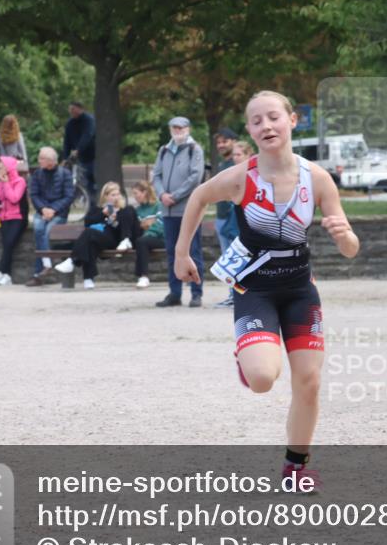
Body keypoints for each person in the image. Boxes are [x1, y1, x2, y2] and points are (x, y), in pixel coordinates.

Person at [174, 91, 360, 492]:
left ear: (292, 121)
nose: (266, 126)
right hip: (254, 289)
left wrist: (346, 236)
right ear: (250, 131)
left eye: (273, 117)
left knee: (308, 380)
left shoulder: (318, 178)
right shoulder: (242, 176)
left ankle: (295, 467)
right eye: (256, 121)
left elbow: (350, 250)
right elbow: (199, 197)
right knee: (262, 378)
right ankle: (248, 354)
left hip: (299, 290)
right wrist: (181, 253)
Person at [152, 116, 205, 308]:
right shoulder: (164, 150)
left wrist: (175, 195)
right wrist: (161, 194)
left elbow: (195, 177)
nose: (178, 130)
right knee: (172, 252)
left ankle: (196, 293)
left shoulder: (194, 149)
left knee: (193, 250)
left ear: (188, 129)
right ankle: (174, 292)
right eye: (174, 127)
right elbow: (156, 175)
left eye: (181, 127)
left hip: (187, 209)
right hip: (168, 211)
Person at [54, 181, 139, 289]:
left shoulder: (125, 210)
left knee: (89, 235)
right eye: (113, 195)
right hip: (99, 238)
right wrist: (103, 214)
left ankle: (72, 261)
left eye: (118, 194)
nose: (116, 197)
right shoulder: (98, 209)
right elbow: (88, 222)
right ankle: (88, 279)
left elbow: (125, 229)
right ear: (106, 196)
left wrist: (115, 219)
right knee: (90, 242)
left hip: (115, 241)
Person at [26, 146, 75, 287]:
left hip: (59, 213)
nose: (39, 161)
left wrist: (53, 209)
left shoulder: (65, 174)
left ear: (51, 161)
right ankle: (47, 264)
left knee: (48, 232)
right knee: (38, 228)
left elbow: (69, 196)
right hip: (42, 211)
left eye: (41, 158)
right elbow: (34, 195)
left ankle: (40, 271)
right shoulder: (37, 174)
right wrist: (43, 209)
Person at [212, 128, 241, 307]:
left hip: (234, 218)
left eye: (225, 141)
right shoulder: (222, 164)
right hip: (221, 216)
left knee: (237, 258)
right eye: (219, 142)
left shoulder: (237, 163)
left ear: (233, 141)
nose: (221, 145)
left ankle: (239, 296)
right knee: (227, 259)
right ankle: (232, 294)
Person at [0, 156, 27, 285]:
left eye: (0, 168)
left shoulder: (20, 181)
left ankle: (1, 271)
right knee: (7, 245)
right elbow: (1, 199)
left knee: (9, 243)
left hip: (18, 218)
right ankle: (6, 275)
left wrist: (6, 183)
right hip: (4, 218)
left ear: (8, 168)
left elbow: (14, 198)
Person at [131, 180, 164, 288]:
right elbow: (138, 227)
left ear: (144, 192)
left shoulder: (158, 206)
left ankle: (143, 276)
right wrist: (149, 223)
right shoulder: (138, 210)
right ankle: (141, 276)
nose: (135, 196)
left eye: (136, 193)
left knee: (142, 241)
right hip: (144, 239)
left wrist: (148, 230)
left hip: (161, 238)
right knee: (141, 242)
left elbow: (160, 225)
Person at [63, 101, 96, 204]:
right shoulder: (70, 123)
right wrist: (65, 157)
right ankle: (87, 200)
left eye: (73, 109)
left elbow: (88, 135)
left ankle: (93, 200)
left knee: (91, 179)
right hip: (80, 157)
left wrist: (78, 149)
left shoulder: (89, 120)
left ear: (80, 109)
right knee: (83, 178)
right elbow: (67, 141)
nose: (71, 112)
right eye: (70, 110)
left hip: (92, 155)